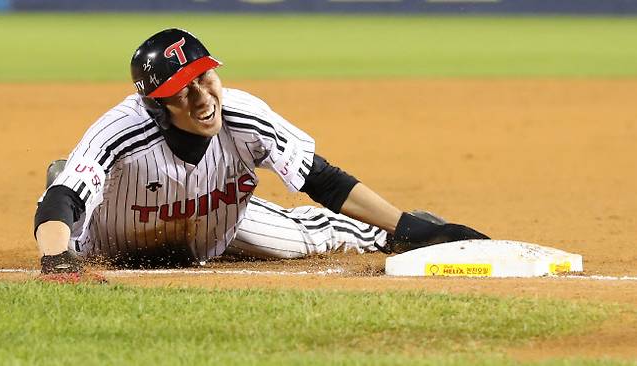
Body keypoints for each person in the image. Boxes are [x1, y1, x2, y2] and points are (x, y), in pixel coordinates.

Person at [34, 28, 489, 276]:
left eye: (205, 77)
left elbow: (322, 180)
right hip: (115, 239)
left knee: (310, 235)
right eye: (181, 90)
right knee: (70, 192)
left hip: (216, 228)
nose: (202, 97)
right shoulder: (121, 130)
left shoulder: (244, 116)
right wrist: (55, 259)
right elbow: (63, 199)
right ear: (156, 104)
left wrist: (408, 227)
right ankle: (72, 172)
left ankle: (389, 234)